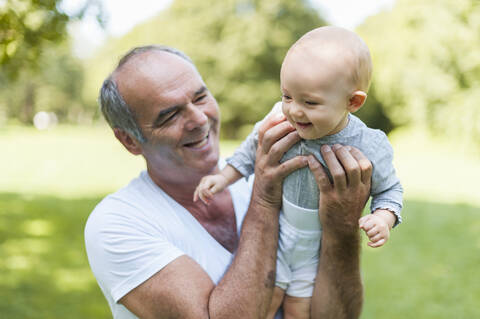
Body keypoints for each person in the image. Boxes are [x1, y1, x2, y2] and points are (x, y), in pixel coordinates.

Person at [84, 43, 373, 319]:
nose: (199, 119)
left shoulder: (276, 176)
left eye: (200, 97)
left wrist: (342, 226)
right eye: (170, 115)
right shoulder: (116, 224)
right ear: (129, 140)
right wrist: (264, 196)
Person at [194, 26, 403, 318]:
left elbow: (390, 189)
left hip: (317, 246)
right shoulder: (280, 118)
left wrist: (383, 217)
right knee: (265, 302)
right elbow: (252, 147)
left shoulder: (368, 144)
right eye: (287, 96)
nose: (294, 111)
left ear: (352, 102)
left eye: (310, 102)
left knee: (297, 310)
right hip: (277, 232)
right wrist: (224, 176)